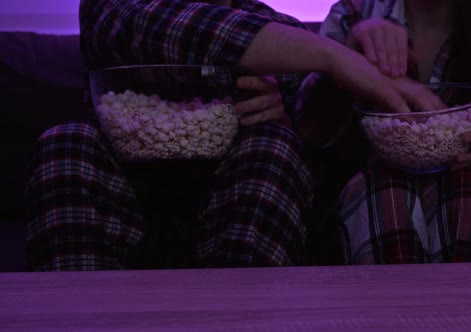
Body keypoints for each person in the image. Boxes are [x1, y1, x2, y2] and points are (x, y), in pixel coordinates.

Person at [23, 0, 440, 271]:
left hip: (231, 208)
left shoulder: (277, 29)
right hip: (119, 198)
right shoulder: (112, 9)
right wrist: (335, 56)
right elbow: (170, 29)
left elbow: (322, 136)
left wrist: (347, 60)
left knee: (275, 144)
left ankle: (244, 311)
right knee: (66, 142)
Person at [299, 0, 471, 264]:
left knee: (470, 191)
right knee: (384, 191)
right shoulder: (352, 16)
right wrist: (346, 59)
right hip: (365, 200)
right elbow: (308, 137)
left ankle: (469, 301)